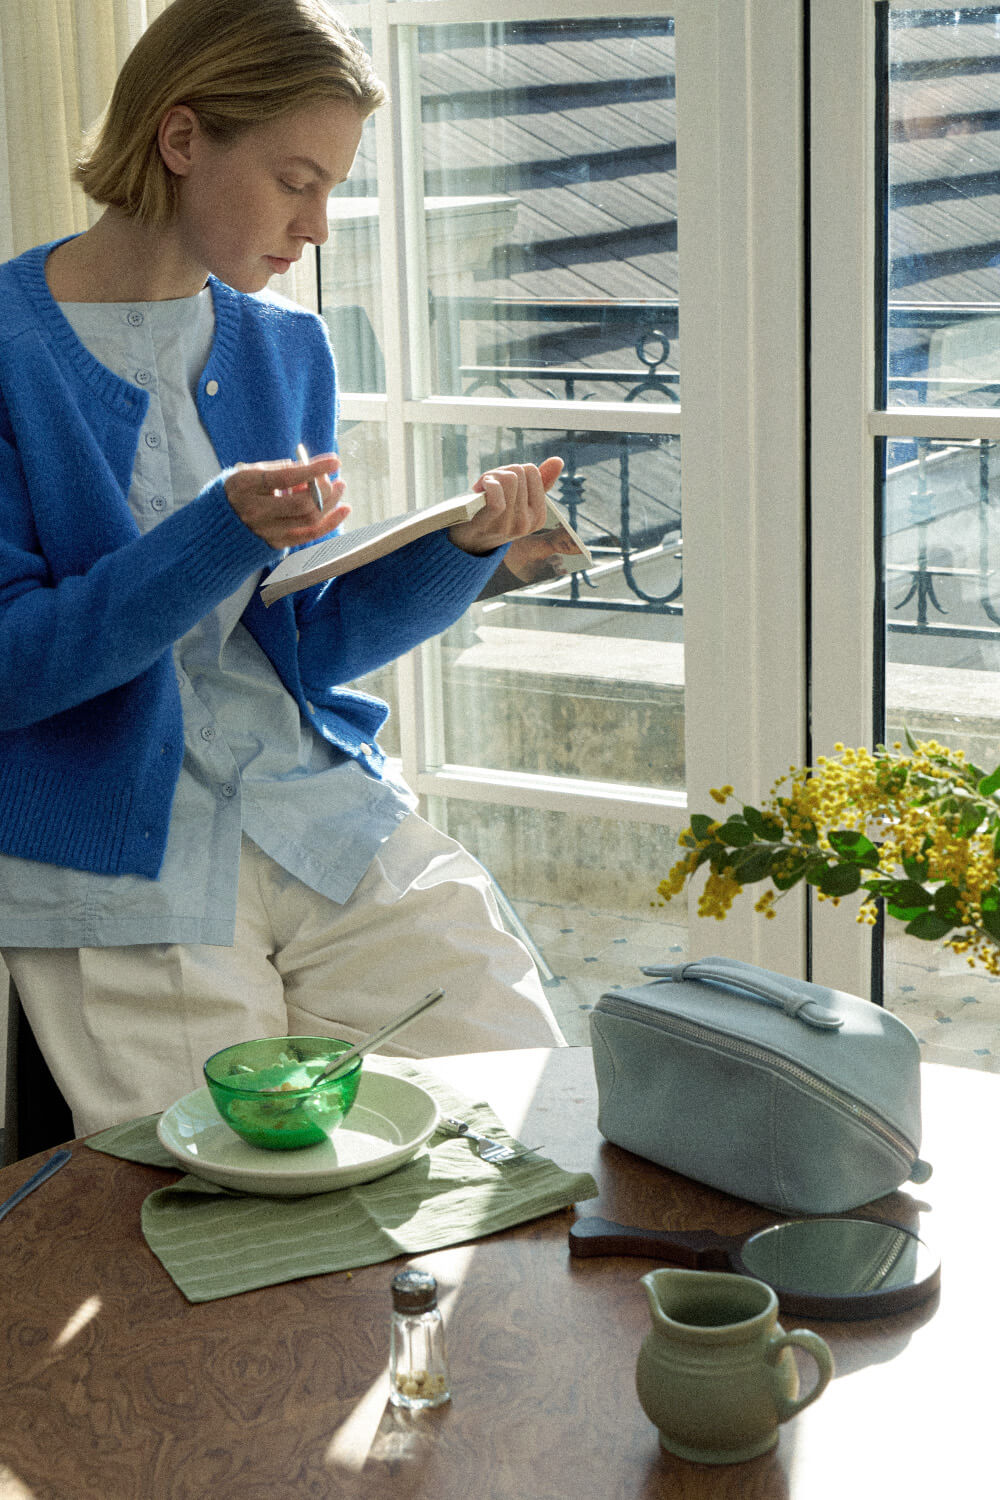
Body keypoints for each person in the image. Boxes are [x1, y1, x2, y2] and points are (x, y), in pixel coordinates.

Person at [0, 0, 565, 1136]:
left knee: (513, 1110)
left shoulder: (282, 345)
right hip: (120, 860)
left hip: (312, 806)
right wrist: (218, 533)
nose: (317, 227)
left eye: (334, 188)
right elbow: (16, 668)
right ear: (181, 139)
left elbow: (295, 640)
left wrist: (463, 558)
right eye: (296, 180)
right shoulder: (10, 350)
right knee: (247, 1197)